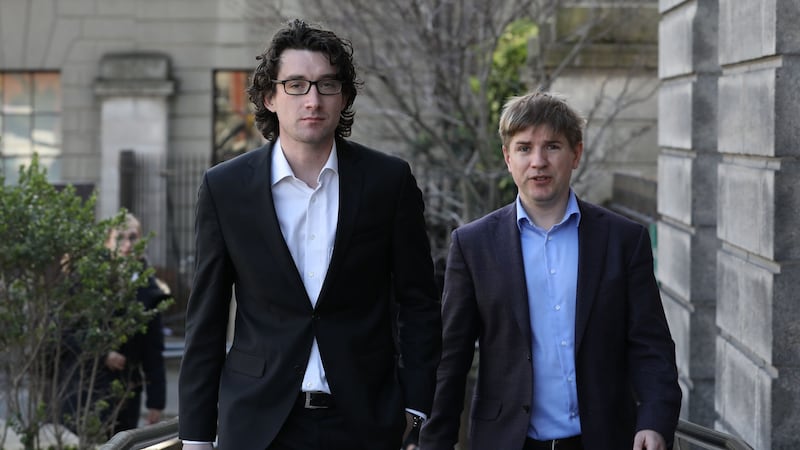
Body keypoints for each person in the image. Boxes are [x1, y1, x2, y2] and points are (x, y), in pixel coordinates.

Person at [178, 19, 441, 450]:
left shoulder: (387, 182)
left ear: (344, 98)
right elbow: (204, 319)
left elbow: (419, 301)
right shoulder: (224, 189)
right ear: (270, 97)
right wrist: (195, 435)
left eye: (327, 85)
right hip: (258, 424)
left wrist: (415, 405)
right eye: (296, 84)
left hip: (365, 420)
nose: (313, 100)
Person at [418, 91, 681, 450]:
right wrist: (434, 441)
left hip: (603, 438)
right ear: (507, 158)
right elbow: (451, 359)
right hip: (507, 440)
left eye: (552, 147)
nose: (538, 161)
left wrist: (654, 421)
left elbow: (651, 346)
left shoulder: (623, 240)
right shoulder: (473, 245)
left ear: (576, 154)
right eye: (525, 148)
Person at [61, 213, 169, 435]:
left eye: (133, 237)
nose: (127, 245)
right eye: (120, 238)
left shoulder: (149, 288)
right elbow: (66, 331)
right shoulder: (86, 281)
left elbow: (153, 348)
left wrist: (156, 400)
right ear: (108, 241)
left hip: (126, 392)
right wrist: (102, 354)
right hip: (85, 387)